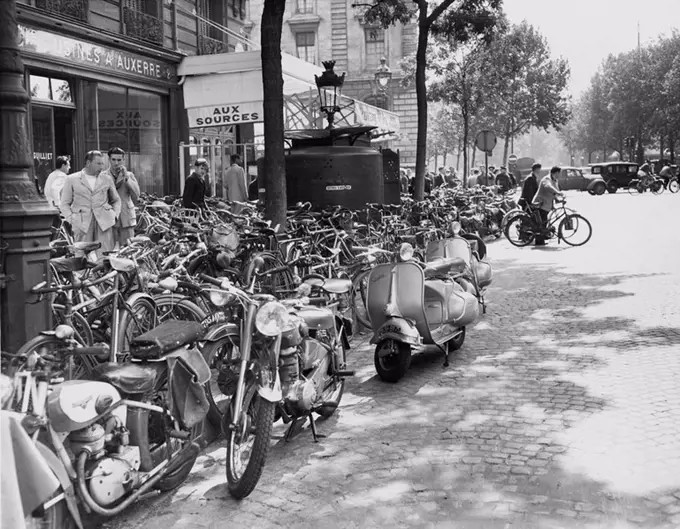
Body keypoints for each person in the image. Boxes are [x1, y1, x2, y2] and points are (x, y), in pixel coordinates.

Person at [60, 150, 121, 253]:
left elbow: (116, 200)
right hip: (82, 223)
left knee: (104, 256)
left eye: (102, 163)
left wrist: (115, 215)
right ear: (88, 163)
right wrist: (72, 219)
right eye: (98, 163)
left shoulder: (107, 179)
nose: (102, 167)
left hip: (104, 222)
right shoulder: (72, 179)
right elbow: (64, 203)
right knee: (81, 256)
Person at [101, 147, 140, 247]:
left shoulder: (129, 175)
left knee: (129, 249)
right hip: (110, 217)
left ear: (123, 160)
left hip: (126, 217)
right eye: (113, 159)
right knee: (108, 249)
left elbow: (136, 194)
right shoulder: (102, 176)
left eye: (119, 160)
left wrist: (126, 177)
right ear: (109, 160)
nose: (116, 163)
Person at [532, 166, 564, 246]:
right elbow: (548, 187)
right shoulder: (547, 179)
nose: (559, 175)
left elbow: (553, 192)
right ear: (555, 173)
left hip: (546, 204)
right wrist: (558, 192)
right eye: (559, 173)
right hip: (540, 203)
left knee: (544, 222)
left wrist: (558, 199)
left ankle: (542, 239)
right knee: (541, 223)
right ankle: (539, 241)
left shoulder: (555, 180)